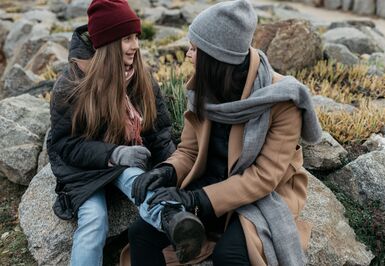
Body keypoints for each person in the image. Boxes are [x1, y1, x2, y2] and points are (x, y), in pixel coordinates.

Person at [126, 0, 323, 265]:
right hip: (209, 185)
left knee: (230, 255)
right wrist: (166, 171)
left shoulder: (281, 100)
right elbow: (189, 151)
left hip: (261, 197)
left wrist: (194, 200)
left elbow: (264, 177)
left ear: (215, 58)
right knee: (141, 232)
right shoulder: (202, 87)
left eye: (194, 49)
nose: (187, 54)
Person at [46, 0, 176, 265]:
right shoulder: (71, 83)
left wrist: (175, 171)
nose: (135, 46)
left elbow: (159, 132)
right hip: (82, 169)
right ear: (107, 43)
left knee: (136, 180)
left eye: (136, 37)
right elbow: (65, 145)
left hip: (124, 164)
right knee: (94, 220)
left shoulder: (140, 76)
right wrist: (115, 153)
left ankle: (178, 222)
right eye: (127, 38)